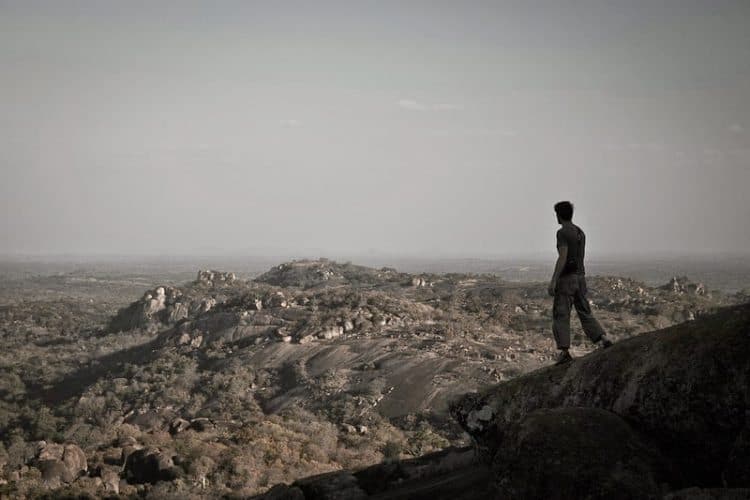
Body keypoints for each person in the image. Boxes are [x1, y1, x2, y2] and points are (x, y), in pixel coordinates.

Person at [548, 201, 612, 365]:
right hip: (580, 278)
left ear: (560, 215)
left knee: (561, 314)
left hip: (567, 279)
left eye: (556, 214)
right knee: (585, 311)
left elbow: (563, 257)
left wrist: (554, 280)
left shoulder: (562, 233)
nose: (556, 217)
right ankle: (602, 338)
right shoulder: (580, 232)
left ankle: (564, 351)